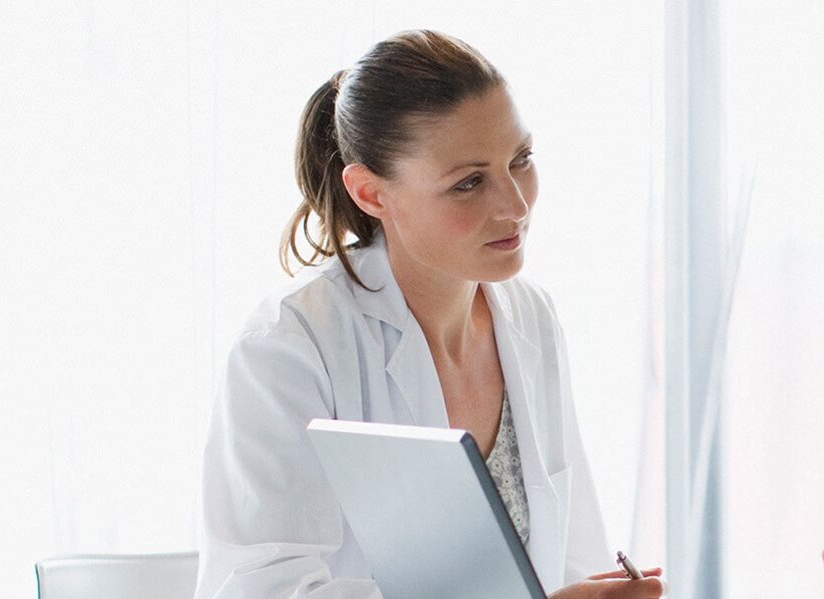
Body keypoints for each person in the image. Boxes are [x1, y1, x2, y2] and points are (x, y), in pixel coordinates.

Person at [195, 30, 663, 599]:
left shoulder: (531, 316)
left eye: (521, 160)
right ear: (370, 193)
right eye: (469, 183)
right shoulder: (288, 347)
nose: (515, 205)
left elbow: (570, 558)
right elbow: (259, 590)